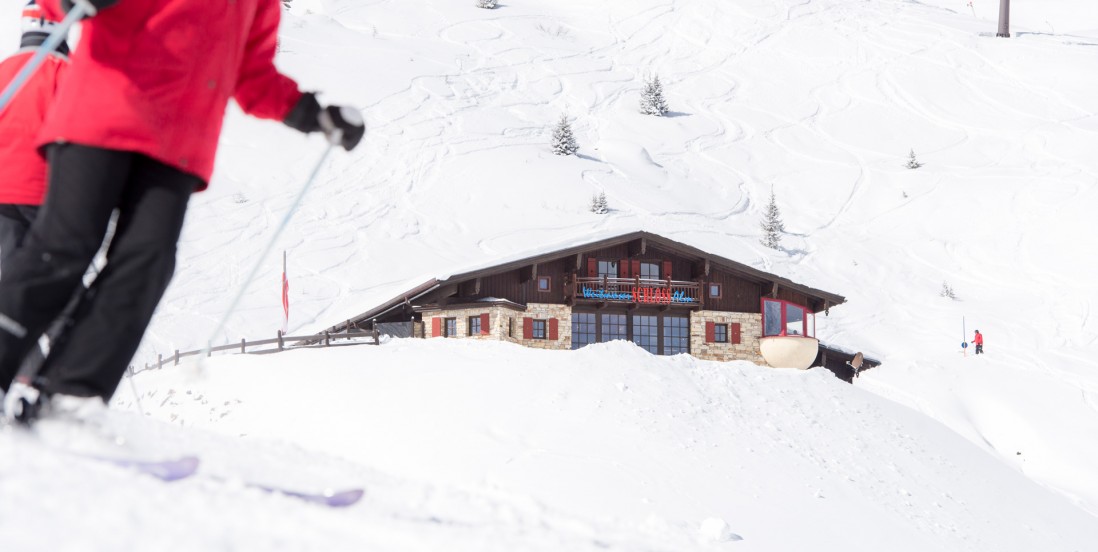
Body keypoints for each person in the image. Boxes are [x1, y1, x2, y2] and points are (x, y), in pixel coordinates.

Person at [0, 0, 365, 423]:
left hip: (175, 144)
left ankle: (72, 396)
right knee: (65, 246)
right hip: (99, 112)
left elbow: (251, 75)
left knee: (148, 262)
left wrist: (313, 114)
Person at [0, 1, 70, 271]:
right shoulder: (65, 69)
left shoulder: (5, 67)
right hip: (42, 188)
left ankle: (9, 309)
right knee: (51, 267)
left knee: (12, 263)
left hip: (3, 189)